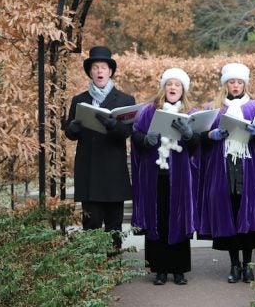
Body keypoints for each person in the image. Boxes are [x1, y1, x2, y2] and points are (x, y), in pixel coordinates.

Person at [198, 63, 255, 283]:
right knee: (229, 216)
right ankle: (234, 265)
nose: (235, 85)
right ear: (225, 84)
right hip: (223, 169)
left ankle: (248, 265)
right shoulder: (214, 108)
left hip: (248, 169)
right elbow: (200, 139)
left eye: (239, 82)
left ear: (245, 84)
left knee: (248, 217)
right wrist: (211, 135)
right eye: (231, 82)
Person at [130, 68, 200, 286]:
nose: (172, 88)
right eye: (169, 84)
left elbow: (198, 144)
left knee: (178, 219)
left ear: (183, 90)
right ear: (163, 88)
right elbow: (136, 134)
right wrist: (144, 140)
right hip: (155, 174)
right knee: (157, 219)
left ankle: (179, 269)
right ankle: (159, 269)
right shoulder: (149, 111)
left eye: (177, 84)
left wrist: (189, 135)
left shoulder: (191, 112)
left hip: (180, 176)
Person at [63, 46, 136, 255]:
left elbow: (128, 131)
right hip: (89, 172)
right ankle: (92, 269)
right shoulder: (80, 100)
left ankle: (113, 267)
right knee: (91, 225)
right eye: (95, 68)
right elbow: (70, 131)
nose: (99, 71)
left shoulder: (125, 100)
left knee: (114, 226)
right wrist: (72, 129)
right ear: (90, 72)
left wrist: (114, 125)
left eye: (103, 67)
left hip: (113, 173)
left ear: (110, 71)